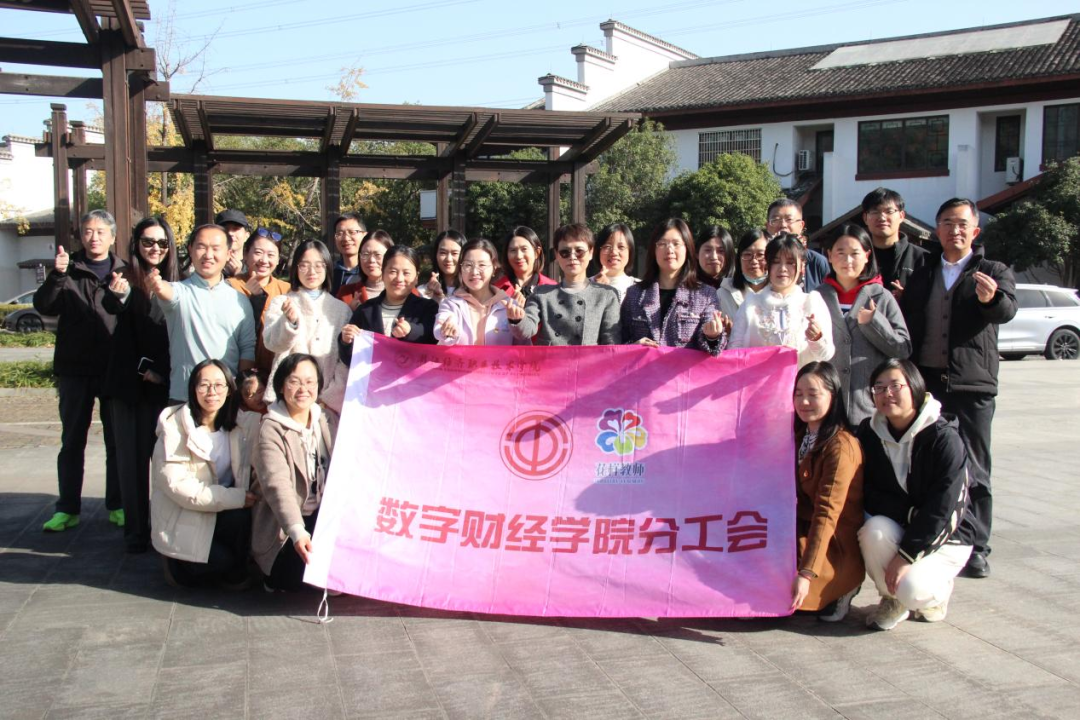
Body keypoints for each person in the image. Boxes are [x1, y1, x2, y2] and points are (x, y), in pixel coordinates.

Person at [902, 198, 1017, 579]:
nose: (955, 230)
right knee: (931, 465)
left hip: (971, 385)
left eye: (962, 224)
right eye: (948, 223)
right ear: (937, 230)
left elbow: (1006, 310)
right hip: (928, 383)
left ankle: (976, 547)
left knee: (975, 467)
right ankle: (935, 538)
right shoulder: (924, 271)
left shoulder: (992, 270)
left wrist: (991, 299)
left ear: (975, 230)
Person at [857, 359, 976, 630]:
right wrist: (909, 513)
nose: (887, 393)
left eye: (895, 386)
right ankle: (891, 600)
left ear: (915, 388)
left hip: (948, 537)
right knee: (873, 531)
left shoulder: (943, 438)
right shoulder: (869, 433)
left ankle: (937, 594)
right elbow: (867, 491)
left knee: (912, 589)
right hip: (902, 525)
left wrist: (906, 556)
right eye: (879, 387)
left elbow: (945, 507)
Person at [35, 209, 128, 532]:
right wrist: (57, 275)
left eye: (101, 231)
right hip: (74, 369)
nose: (94, 237)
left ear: (113, 237)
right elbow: (44, 305)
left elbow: (132, 316)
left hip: (111, 369)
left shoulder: (124, 271)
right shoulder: (68, 268)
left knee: (116, 442)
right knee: (72, 441)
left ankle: (117, 504)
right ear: (81, 236)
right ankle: (67, 508)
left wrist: (121, 296)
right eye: (88, 231)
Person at [101, 216, 179, 552]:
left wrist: (160, 370)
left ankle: (164, 529)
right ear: (136, 244)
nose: (155, 248)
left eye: (162, 243)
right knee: (131, 464)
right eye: (148, 241)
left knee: (166, 463)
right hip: (129, 386)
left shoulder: (179, 281)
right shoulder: (123, 278)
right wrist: (118, 297)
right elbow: (112, 304)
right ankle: (135, 532)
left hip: (165, 384)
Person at [151, 359, 256, 589]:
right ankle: (177, 565)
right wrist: (237, 497)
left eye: (219, 385)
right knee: (221, 561)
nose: (212, 392)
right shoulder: (174, 428)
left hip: (221, 512)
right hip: (186, 515)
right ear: (193, 389)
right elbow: (179, 487)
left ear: (229, 390)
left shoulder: (239, 425)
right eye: (204, 385)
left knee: (241, 519)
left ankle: (233, 572)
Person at [252, 353, 337, 592]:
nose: (303, 389)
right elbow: (277, 485)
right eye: (295, 381)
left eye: (310, 382)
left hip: (322, 517)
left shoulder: (326, 419)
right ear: (281, 386)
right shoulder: (270, 428)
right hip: (287, 527)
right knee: (293, 578)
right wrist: (297, 530)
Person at [814, 224, 910, 425]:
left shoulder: (881, 296)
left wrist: (874, 323)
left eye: (855, 253)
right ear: (829, 255)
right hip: (826, 407)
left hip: (870, 408)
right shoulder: (816, 297)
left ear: (867, 256)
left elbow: (903, 350)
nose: (847, 260)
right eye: (840, 253)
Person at [149, 224, 257, 403]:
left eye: (215, 248)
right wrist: (158, 285)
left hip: (225, 399)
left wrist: (240, 392)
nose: (208, 255)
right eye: (201, 247)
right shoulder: (180, 291)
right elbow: (167, 292)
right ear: (190, 250)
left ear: (228, 254)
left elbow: (247, 348)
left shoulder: (240, 300)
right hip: (184, 397)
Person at [791, 361, 865, 622]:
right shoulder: (800, 434)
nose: (804, 402)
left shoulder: (840, 446)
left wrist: (806, 573)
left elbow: (827, 513)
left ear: (832, 396)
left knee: (785, 590)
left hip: (833, 539)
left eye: (813, 394)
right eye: (798, 394)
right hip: (801, 527)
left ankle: (845, 585)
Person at [263, 239, 352, 414]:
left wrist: (329, 397)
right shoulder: (281, 302)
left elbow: (344, 361)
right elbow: (272, 343)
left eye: (319, 265)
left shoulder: (342, 310)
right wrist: (289, 322)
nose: (312, 272)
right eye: (304, 265)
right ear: (295, 268)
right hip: (288, 397)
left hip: (327, 401)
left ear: (327, 268)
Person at [620, 218, 726, 354]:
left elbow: (713, 348)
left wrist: (712, 336)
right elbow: (620, 342)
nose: (669, 249)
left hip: (684, 368)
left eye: (676, 244)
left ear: (687, 249)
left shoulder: (705, 295)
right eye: (662, 244)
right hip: (643, 367)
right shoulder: (634, 294)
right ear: (654, 250)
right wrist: (633, 346)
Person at [730, 233, 834, 368]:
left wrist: (817, 339)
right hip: (758, 380)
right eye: (776, 262)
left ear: (802, 266)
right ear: (767, 265)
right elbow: (734, 352)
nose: (782, 269)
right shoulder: (751, 304)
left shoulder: (811, 301)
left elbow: (826, 354)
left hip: (800, 380)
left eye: (790, 263)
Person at [508, 223, 621, 346]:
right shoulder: (541, 293)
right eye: (565, 252)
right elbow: (527, 330)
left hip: (589, 359)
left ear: (590, 253)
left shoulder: (606, 295)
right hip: (551, 358)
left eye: (579, 251)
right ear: (557, 255)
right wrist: (517, 319)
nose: (572, 257)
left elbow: (611, 341)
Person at [338, 245, 438, 365]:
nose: (399, 278)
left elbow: (432, 337)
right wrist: (346, 341)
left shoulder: (428, 308)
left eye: (406, 273)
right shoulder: (365, 310)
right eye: (393, 272)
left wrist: (411, 331)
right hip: (374, 376)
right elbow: (350, 360)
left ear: (416, 277)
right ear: (383, 273)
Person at [434, 238, 520, 346]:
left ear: (494, 267)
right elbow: (439, 327)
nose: (474, 272)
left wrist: (518, 322)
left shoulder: (509, 306)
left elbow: (523, 347)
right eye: (468, 265)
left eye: (482, 265)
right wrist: (446, 331)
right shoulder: (451, 304)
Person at [227, 228, 290, 375]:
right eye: (258, 253)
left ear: (278, 259)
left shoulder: (287, 290)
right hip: (238, 371)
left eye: (271, 255)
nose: (264, 260)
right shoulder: (230, 286)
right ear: (245, 254)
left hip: (275, 372)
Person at [860, 187, 927, 302]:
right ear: (865, 218)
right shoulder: (857, 256)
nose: (882, 217)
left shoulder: (922, 258)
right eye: (875, 211)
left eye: (889, 211)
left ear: (901, 216)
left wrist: (907, 298)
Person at [766, 199, 829, 293]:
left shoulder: (817, 262)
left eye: (789, 220)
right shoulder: (759, 260)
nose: (783, 225)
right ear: (767, 226)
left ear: (801, 225)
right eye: (776, 220)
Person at [494, 226, 556, 303]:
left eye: (524, 249)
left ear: (537, 253)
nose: (519, 256)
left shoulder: (552, 288)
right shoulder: (496, 289)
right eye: (513, 250)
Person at [717, 228, 769, 319]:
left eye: (760, 255)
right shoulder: (723, 295)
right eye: (747, 254)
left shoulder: (782, 293)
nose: (754, 261)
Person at [336, 229, 394, 310]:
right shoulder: (346, 293)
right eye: (366, 254)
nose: (371, 260)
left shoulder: (404, 289)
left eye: (377, 255)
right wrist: (349, 311)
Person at [591, 222, 639, 302]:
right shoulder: (583, 286)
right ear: (598, 251)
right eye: (607, 246)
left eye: (621, 247)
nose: (614, 252)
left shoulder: (641, 288)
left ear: (630, 252)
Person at [422, 229, 465, 302]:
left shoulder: (473, 290)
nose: (448, 259)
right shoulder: (423, 291)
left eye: (454, 253)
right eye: (443, 253)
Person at [329, 212, 366, 294]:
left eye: (352, 232)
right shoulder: (328, 274)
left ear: (365, 235)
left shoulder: (371, 272)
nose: (346, 238)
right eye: (340, 233)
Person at [695, 225, 735, 290]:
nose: (714, 257)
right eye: (707, 250)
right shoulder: (684, 289)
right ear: (696, 254)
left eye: (721, 251)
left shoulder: (740, 289)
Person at [214, 208, 250, 278]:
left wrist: (238, 274)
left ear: (246, 235)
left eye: (235, 228)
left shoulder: (254, 266)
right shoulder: (208, 264)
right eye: (225, 229)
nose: (230, 233)